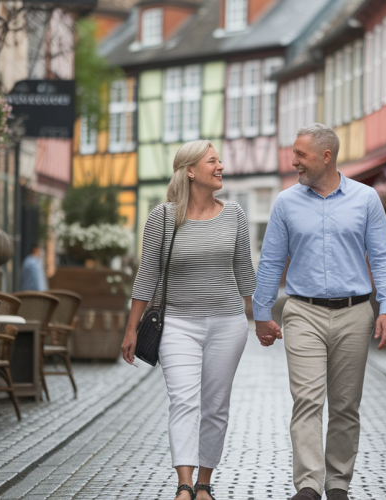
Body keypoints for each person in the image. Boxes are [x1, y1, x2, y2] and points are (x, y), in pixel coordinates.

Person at [252, 124, 386, 500]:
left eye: (300, 155)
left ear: (326, 156)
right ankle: (308, 485)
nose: (294, 161)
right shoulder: (286, 202)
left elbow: (383, 256)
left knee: (346, 405)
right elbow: (270, 262)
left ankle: (337, 484)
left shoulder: (366, 199)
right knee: (307, 400)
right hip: (303, 312)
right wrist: (261, 312)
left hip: (355, 313)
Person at [121, 140, 256, 500]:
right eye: (213, 161)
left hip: (228, 324)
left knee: (215, 405)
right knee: (184, 401)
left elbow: (244, 271)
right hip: (178, 324)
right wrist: (131, 328)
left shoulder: (236, 215)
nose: (221, 166)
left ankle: (204, 484)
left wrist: (263, 318)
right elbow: (147, 274)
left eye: (220, 160)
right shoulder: (162, 217)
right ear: (191, 171)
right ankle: (184, 484)